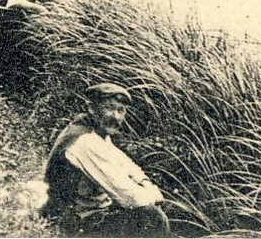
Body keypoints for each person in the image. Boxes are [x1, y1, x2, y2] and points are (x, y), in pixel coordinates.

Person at [42, 82, 170, 237]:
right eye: (109, 108)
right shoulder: (85, 140)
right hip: (72, 227)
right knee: (151, 216)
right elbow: (133, 199)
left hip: (88, 218)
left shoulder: (97, 133)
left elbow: (127, 165)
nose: (115, 116)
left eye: (120, 110)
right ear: (91, 108)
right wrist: (154, 195)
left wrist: (145, 183)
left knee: (150, 211)